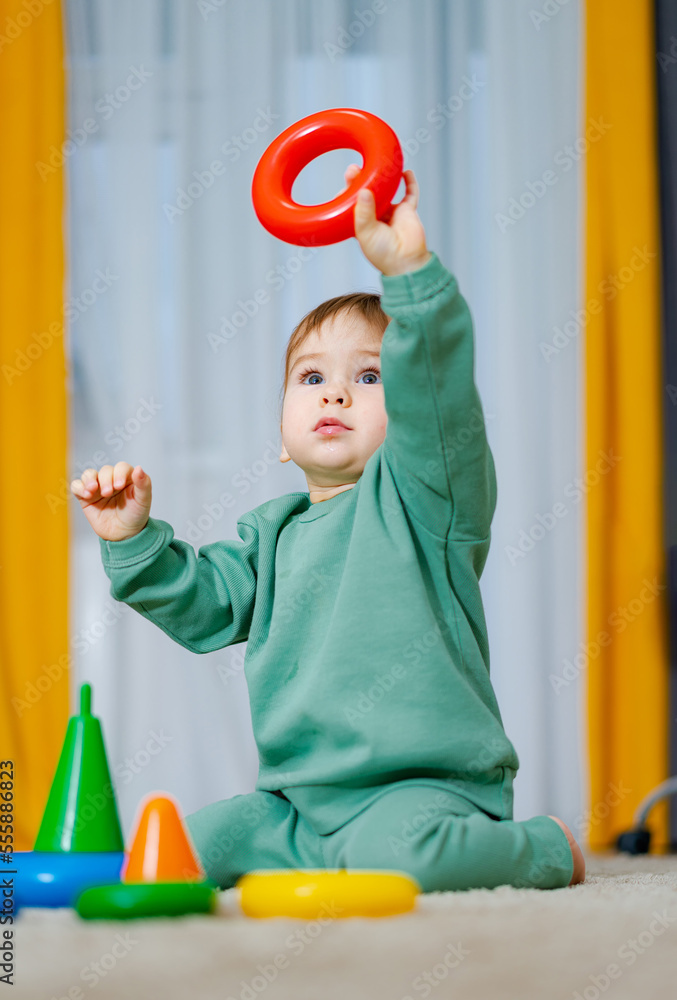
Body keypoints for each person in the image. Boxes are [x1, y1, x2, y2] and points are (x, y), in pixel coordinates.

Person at [71, 166, 585, 892]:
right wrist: (132, 539)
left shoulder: (423, 499)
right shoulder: (270, 535)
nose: (337, 391)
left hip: (416, 790)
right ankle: (317, 855)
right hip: (291, 806)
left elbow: (438, 400)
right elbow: (201, 604)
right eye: (311, 378)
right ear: (281, 435)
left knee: (400, 861)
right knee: (186, 853)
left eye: (369, 377)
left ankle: (542, 846)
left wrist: (410, 281)